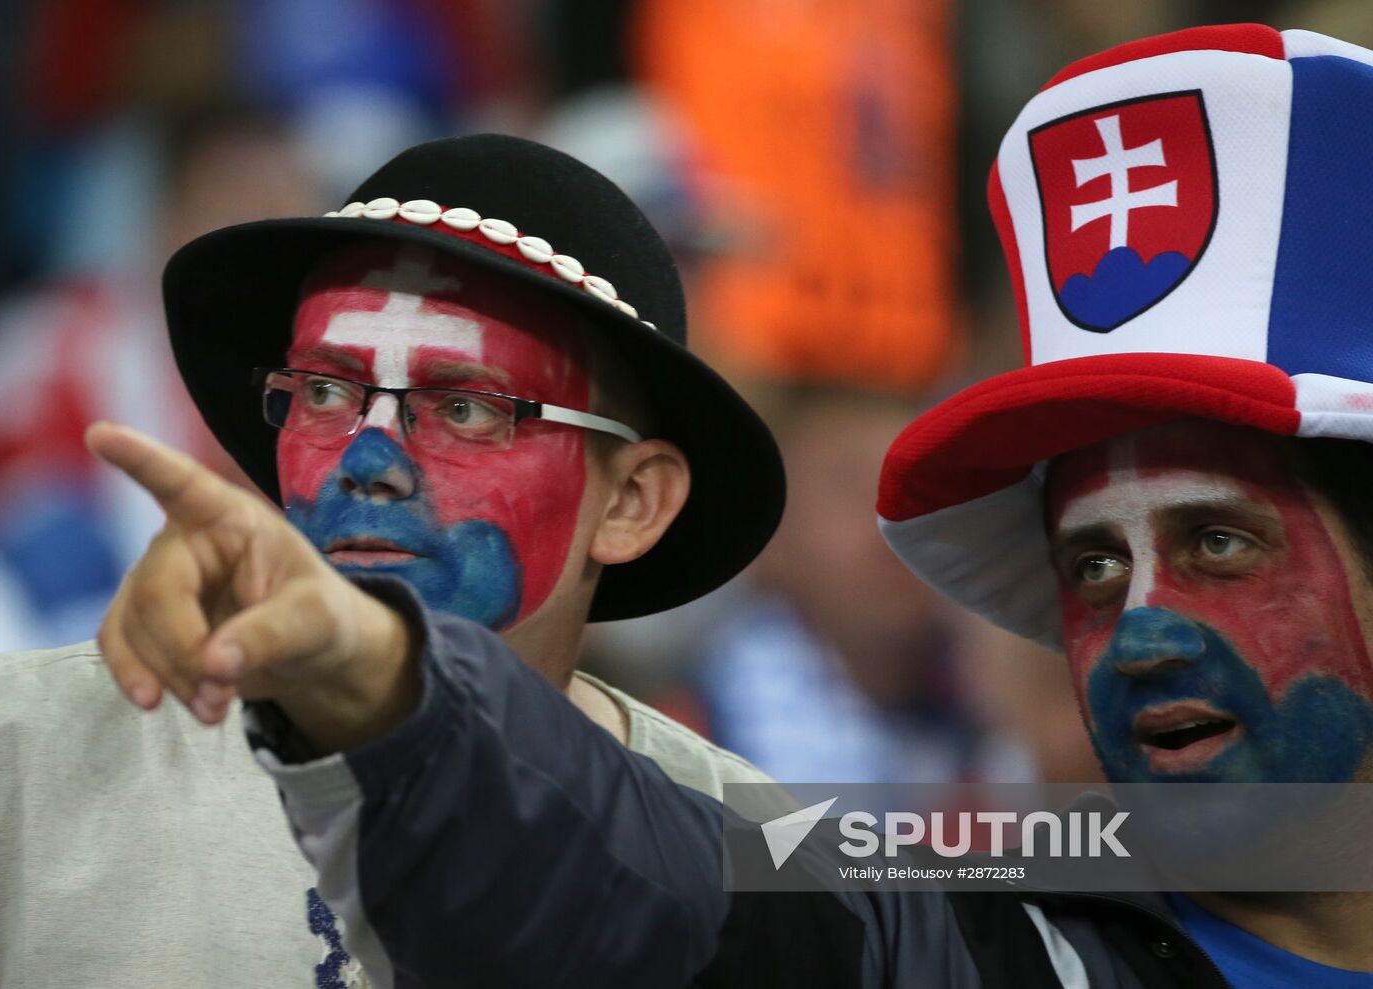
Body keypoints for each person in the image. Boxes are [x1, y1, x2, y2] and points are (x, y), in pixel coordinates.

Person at [89, 23, 1373, 989]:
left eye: (1217, 539)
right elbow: (657, 868)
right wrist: (381, 671)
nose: (1137, 631)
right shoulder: (988, 906)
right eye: (1088, 565)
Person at [0, 134, 787, 987]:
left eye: (466, 407)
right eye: (325, 391)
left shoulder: (772, 852)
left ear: (631, 501)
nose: (368, 460)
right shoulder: (10, 757)